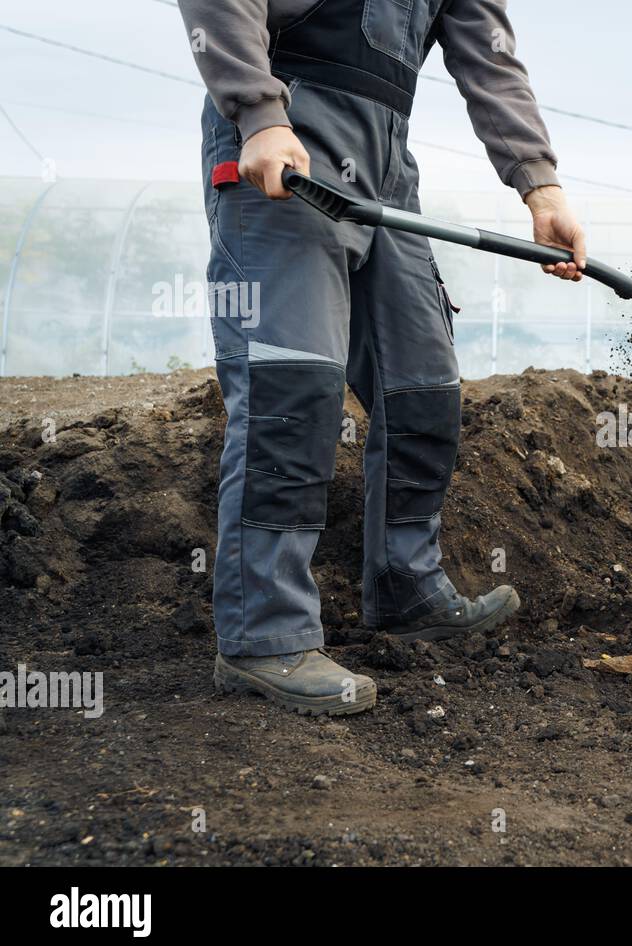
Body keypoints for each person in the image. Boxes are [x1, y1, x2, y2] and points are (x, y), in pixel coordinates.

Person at [177, 0, 585, 716]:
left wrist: (538, 180)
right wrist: (259, 112)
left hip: (386, 159)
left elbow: (487, 51)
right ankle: (264, 635)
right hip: (290, 135)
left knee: (423, 383)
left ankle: (406, 587)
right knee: (292, 386)